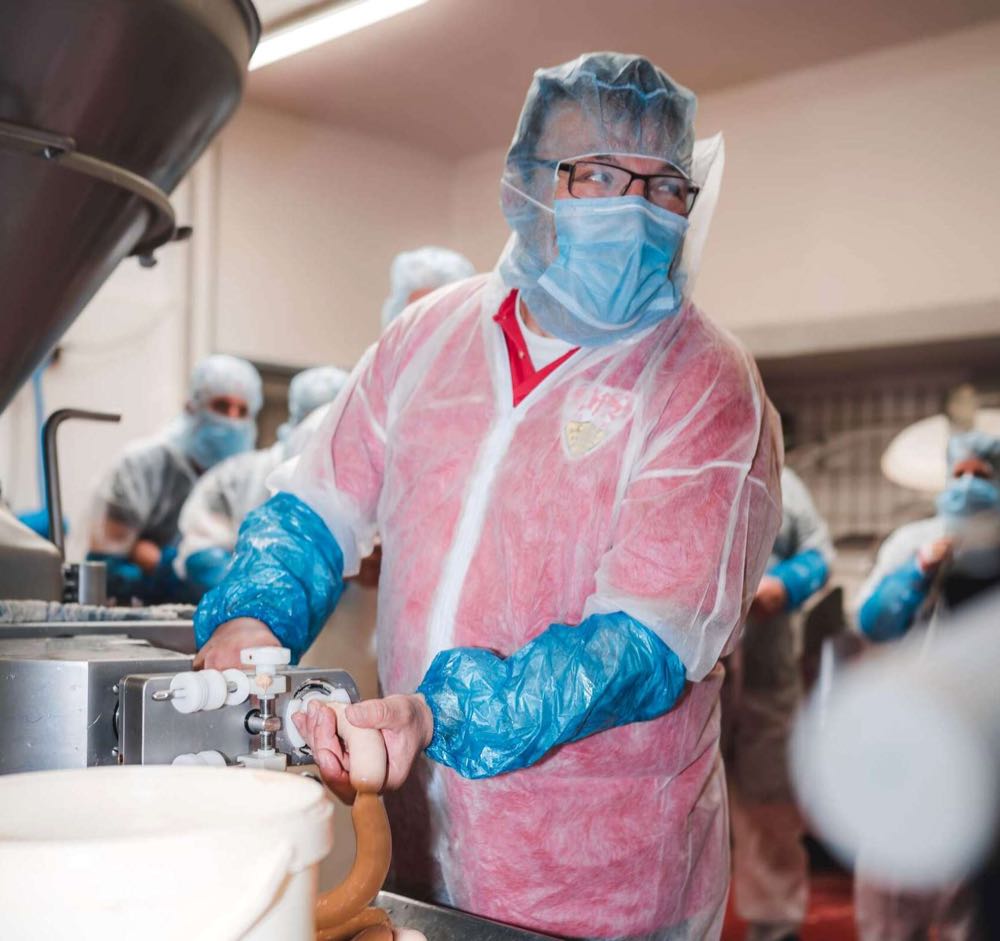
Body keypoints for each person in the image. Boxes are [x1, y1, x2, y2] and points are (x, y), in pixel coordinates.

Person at [195, 53, 782, 940]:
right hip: (418, 840)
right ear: (527, 185)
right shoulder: (428, 339)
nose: (636, 209)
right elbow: (318, 504)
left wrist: (443, 711)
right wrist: (252, 622)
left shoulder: (704, 383)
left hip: (601, 876)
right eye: (600, 175)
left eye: (666, 188)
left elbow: (646, 641)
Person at [851, 430, 999, 941]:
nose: (969, 484)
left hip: (982, 747)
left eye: (982, 474)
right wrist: (920, 571)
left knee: (971, 901)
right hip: (906, 738)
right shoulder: (912, 542)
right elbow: (873, 622)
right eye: (959, 474)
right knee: (893, 895)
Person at [725, 467, 834, 941]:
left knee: (767, 810)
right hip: (682, 674)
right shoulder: (665, 453)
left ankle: (774, 929)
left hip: (763, 674)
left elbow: (820, 555)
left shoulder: (783, 480)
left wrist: (785, 583)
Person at [88, 354, 261, 604]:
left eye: (242, 411)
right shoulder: (142, 466)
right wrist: (176, 570)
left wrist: (154, 557)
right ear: (193, 406)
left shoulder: (245, 479)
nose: (232, 421)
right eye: (221, 406)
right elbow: (107, 561)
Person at [175, 366, 348, 596]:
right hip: (242, 626)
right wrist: (259, 595)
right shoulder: (234, 477)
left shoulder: (366, 490)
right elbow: (202, 557)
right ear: (298, 424)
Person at [380, 246, 475, 329]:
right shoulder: (390, 347)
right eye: (417, 310)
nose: (427, 320)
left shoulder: (482, 347)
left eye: (441, 309)